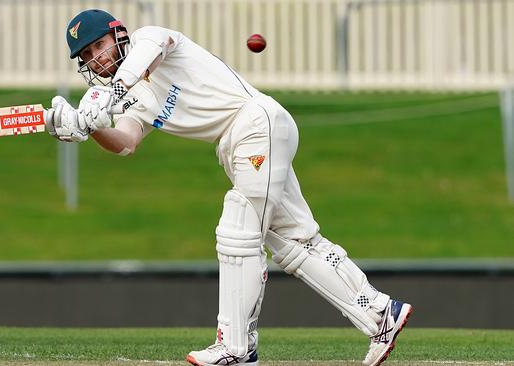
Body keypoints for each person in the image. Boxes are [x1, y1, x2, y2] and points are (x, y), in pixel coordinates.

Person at [44, 8, 413, 366]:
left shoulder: (149, 39)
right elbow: (126, 140)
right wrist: (91, 129)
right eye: (87, 55)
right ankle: (380, 313)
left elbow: (152, 52)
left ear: (119, 34)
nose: (95, 59)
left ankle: (236, 346)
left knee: (238, 230)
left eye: (99, 45)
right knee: (295, 242)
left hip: (254, 123)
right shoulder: (131, 98)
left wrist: (109, 94)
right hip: (239, 142)